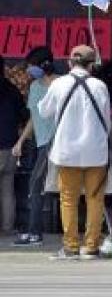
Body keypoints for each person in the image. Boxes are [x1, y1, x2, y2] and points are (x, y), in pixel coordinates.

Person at [38, 45, 111, 261]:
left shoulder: (59, 84)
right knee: (95, 199)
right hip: (96, 152)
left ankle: (70, 248)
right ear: (92, 66)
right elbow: (107, 122)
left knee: (68, 200)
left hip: (67, 151)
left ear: (70, 63)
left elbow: (43, 111)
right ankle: (91, 248)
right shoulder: (100, 86)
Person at [11, 47, 58, 246]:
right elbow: (33, 118)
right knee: (37, 186)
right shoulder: (35, 87)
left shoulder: (62, 84)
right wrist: (20, 141)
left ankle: (34, 233)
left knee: (36, 185)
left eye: (32, 65)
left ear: (44, 65)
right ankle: (35, 232)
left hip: (58, 142)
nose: (29, 69)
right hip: (42, 144)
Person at [0, 56, 29, 236]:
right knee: (7, 189)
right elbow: (24, 117)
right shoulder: (12, 90)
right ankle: (7, 228)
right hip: (10, 147)